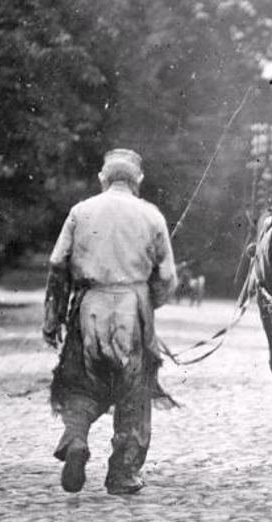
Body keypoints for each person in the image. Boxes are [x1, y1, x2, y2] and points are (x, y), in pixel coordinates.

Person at [42, 148, 177, 495]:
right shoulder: (151, 215)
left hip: (89, 306)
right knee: (133, 391)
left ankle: (74, 440)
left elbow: (58, 264)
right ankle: (122, 473)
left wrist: (53, 318)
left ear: (102, 179)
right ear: (138, 181)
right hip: (133, 309)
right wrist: (149, 304)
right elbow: (167, 277)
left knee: (80, 384)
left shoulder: (80, 211)